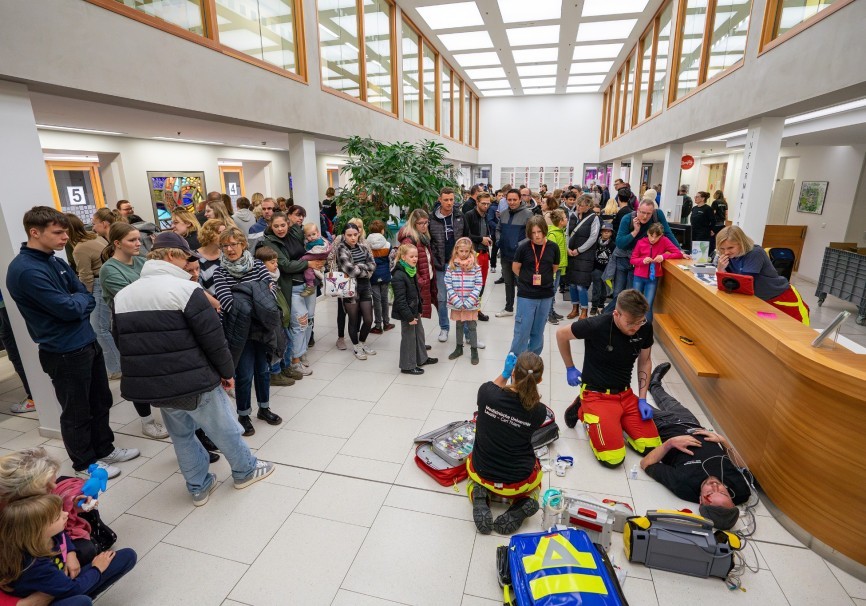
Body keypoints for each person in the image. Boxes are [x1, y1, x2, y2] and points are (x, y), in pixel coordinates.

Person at [111, 244, 276, 504]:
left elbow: (122, 341)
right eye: (185, 258)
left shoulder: (123, 296)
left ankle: (198, 486)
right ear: (170, 255)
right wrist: (226, 372)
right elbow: (213, 339)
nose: (189, 265)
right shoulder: (186, 290)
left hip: (158, 385)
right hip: (195, 379)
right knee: (224, 429)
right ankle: (245, 470)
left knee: (181, 435)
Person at [6, 207, 139, 479]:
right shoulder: (25, 270)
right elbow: (69, 307)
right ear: (34, 232)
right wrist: (77, 303)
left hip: (86, 342)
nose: (65, 236)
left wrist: (77, 303)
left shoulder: (54, 262)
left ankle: (104, 448)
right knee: (77, 411)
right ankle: (85, 463)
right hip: (63, 351)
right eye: (58, 232)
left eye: (65, 230)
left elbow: (84, 295)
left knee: (100, 400)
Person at [639, 363, 751, 530]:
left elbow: (646, 463)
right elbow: (743, 467)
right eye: (723, 491)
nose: (715, 485)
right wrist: (722, 441)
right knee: (666, 398)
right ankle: (655, 383)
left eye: (710, 493)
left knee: (630, 402)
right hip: (691, 422)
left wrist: (670, 443)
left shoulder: (682, 485)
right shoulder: (740, 491)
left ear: (701, 501)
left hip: (664, 427)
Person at [556, 289, 661, 468]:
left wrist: (642, 399)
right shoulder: (596, 325)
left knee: (652, 447)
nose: (636, 327)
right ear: (616, 314)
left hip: (626, 395)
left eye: (640, 321)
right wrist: (570, 368)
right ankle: (583, 408)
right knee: (612, 459)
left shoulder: (645, 327)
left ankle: (614, 419)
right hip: (597, 395)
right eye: (630, 322)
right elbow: (561, 334)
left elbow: (645, 361)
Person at [99, 223, 169, 440]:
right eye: (132, 240)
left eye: (139, 239)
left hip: (152, 323)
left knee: (160, 370)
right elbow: (133, 297)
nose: (139, 243)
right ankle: (147, 422)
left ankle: (169, 412)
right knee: (138, 375)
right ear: (117, 243)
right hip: (129, 328)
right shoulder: (110, 269)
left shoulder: (142, 260)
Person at [213, 227, 284, 436]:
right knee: (243, 374)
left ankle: (264, 408)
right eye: (225, 245)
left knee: (263, 371)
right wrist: (254, 294)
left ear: (243, 244)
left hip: (262, 328)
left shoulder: (258, 266)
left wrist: (245, 296)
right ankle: (243, 415)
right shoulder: (220, 271)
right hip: (238, 331)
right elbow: (226, 301)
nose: (229, 249)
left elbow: (270, 291)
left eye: (233, 244)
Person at [0, 494, 137, 601]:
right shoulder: (35, 565)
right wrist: (97, 568)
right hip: (47, 596)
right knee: (80, 601)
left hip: (60, 583)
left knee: (127, 556)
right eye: (58, 516)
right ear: (39, 530)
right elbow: (73, 589)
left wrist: (71, 554)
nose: (65, 514)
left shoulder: (50, 535)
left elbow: (61, 534)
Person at [467, 352, 546, 535]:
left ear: (513, 373)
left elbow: (496, 387)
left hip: (483, 471)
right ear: (539, 380)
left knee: (471, 469)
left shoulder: (487, 394)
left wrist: (503, 374)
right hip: (518, 479)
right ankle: (522, 502)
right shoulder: (538, 412)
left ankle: (479, 494)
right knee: (535, 488)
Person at [0, 447, 100, 564]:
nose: (53, 488)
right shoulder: (10, 518)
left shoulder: (22, 499)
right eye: (46, 486)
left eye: (53, 481)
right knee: (86, 551)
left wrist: (70, 551)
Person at [260, 206, 322, 375]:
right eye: (276, 226)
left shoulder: (295, 233)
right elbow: (285, 265)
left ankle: (301, 355)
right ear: (271, 226)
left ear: (288, 224)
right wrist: (309, 264)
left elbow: (309, 246)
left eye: (283, 225)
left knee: (308, 319)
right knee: (299, 324)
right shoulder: (269, 242)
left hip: (308, 284)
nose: (280, 229)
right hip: (291, 287)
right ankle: (295, 360)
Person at [716, 226, 810, 324]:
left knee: (793, 330)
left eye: (730, 247)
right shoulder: (730, 255)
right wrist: (721, 269)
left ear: (742, 243)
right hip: (759, 300)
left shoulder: (755, 253)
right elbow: (727, 282)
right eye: (722, 249)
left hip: (779, 298)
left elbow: (743, 285)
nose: (726, 252)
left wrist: (721, 272)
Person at [606, 199, 682, 314]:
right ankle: (611, 317)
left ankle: (619, 318)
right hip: (623, 258)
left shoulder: (658, 215)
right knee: (618, 293)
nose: (645, 216)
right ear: (637, 210)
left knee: (630, 295)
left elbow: (667, 233)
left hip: (639, 261)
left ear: (653, 212)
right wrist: (635, 232)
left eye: (648, 213)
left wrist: (678, 249)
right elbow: (620, 243)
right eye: (642, 212)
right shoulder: (628, 218)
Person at [68, 214, 119, 382]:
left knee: (100, 329)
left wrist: (86, 299)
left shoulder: (79, 248)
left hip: (98, 285)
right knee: (106, 327)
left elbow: (86, 277)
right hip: (108, 280)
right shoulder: (97, 237)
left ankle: (117, 368)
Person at [509, 216, 560, 356]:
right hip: (527, 295)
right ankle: (515, 364)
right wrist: (527, 280)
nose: (536, 236)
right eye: (533, 232)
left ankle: (532, 360)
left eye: (539, 232)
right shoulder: (523, 247)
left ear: (544, 230)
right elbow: (515, 268)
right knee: (522, 331)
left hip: (545, 295)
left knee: (538, 332)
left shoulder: (553, 247)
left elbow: (554, 267)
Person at [391, 244, 437, 375]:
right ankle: (407, 365)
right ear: (403, 257)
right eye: (411, 256)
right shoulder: (399, 275)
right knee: (408, 338)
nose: (415, 259)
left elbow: (416, 292)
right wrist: (409, 317)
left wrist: (420, 308)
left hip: (414, 309)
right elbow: (400, 301)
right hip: (407, 313)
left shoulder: (411, 270)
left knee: (419, 334)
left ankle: (422, 358)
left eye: (416, 256)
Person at [335, 223, 377, 360]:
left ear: (359, 233)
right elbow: (350, 270)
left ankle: (362, 342)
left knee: (368, 319)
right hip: (349, 288)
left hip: (365, 287)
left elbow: (373, 265)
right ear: (344, 236)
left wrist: (359, 266)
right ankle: (356, 346)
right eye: (349, 235)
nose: (353, 237)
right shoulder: (341, 248)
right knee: (353, 320)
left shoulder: (363, 247)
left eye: (355, 234)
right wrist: (364, 270)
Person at [429, 187, 465, 343]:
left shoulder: (459, 216)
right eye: (446, 200)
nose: (449, 203)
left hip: (458, 264)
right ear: (440, 200)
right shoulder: (432, 219)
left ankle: (465, 331)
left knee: (461, 297)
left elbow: (466, 238)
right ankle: (444, 328)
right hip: (440, 264)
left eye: (451, 199)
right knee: (442, 298)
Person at [630, 223, 684, 323]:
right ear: (647, 233)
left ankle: (647, 330)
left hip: (652, 278)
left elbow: (678, 253)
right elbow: (633, 260)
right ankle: (633, 327)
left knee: (648, 305)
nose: (653, 239)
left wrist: (663, 256)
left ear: (661, 235)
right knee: (635, 304)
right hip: (638, 277)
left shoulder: (664, 241)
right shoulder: (640, 242)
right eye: (651, 235)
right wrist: (642, 260)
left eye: (656, 237)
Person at [397, 210, 437, 341]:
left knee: (417, 319)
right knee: (413, 319)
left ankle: (420, 350)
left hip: (423, 283)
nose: (424, 226)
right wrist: (420, 280)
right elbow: (404, 264)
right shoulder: (409, 240)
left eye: (426, 222)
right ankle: (416, 352)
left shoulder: (423, 237)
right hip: (415, 286)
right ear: (414, 224)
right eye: (421, 223)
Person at [495, 189, 533, 317]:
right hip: (505, 254)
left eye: (514, 200)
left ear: (520, 199)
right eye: (509, 200)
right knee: (508, 282)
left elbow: (531, 234)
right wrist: (500, 240)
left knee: (522, 283)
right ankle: (508, 308)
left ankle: (523, 310)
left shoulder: (528, 214)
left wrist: (519, 246)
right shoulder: (504, 213)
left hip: (520, 257)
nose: (511, 202)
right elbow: (498, 229)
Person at [445, 238, 483, 365]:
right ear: (456, 250)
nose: (464, 253)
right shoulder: (451, 266)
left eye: (467, 251)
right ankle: (459, 348)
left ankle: (474, 350)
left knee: (472, 326)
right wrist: (455, 300)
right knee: (459, 325)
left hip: (470, 304)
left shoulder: (476, 267)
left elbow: (479, 284)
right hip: (456, 302)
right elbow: (448, 283)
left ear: (470, 251)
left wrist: (468, 302)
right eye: (461, 251)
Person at [565, 195, 599, 321]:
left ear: (588, 206)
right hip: (572, 254)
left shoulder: (594, 218)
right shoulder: (572, 216)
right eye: (577, 205)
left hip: (585, 255)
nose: (578, 207)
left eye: (581, 205)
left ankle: (584, 310)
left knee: (581, 285)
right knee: (572, 284)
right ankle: (575, 308)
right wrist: (568, 248)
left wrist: (579, 250)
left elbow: (593, 237)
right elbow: (567, 233)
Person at [0, 289, 35, 414]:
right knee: (16, 349)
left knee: (17, 351)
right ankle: (35, 396)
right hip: (7, 303)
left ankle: (34, 397)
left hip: (8, 303)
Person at [463, 192, 492, 322]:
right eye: (483, 203)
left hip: (484, 253)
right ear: (477, 202)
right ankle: (471, 309)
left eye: (488, 203)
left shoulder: (486, 215)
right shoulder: (469, 215)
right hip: (473, 255)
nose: (486, 206)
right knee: (473, 284)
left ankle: (477, 309)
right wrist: (481, 239)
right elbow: (466, 234)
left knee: (482, 284)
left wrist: (488, 239)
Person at [366, 221, 394, 335]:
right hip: (385, 274)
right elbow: (391, 260)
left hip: (373, 275)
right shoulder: (387, 244)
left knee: (376, 300)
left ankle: (378, 325)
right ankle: (386, 323)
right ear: (382, 230)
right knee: (384, 299)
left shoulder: (366, 244)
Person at [546, 209, 568, 325]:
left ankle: (551, 311)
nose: (567, 219)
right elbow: (550, 253)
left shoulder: (561, 231)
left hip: (559, 266)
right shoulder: (553, 234)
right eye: (565, 218)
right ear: (560, 221)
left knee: (553, 291)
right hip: (553, 268)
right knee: (551, 291)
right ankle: (548, 314)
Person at [299, 222, 331, 298]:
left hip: (317, 255)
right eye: (309, 235)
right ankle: (318, 282)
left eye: (313, 234)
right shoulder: (313, 241)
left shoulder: (317, 242)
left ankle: (310, 286)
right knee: (315, 269)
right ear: (305, 236)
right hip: (318, 256)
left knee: (308, 269)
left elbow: (313, 253)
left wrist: (302, 259)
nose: (312, 237)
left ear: (318, 233)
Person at [590, 222, 615, 316]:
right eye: (604, 231)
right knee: (596, 288)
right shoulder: (596, 243)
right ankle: (594, 306)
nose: (606, 233)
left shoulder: (613, 245)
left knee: (605, 289)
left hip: (607, 271)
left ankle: (601, 304)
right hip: (597, 269)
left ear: (611, 233)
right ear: (601, 232)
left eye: (608, 232)